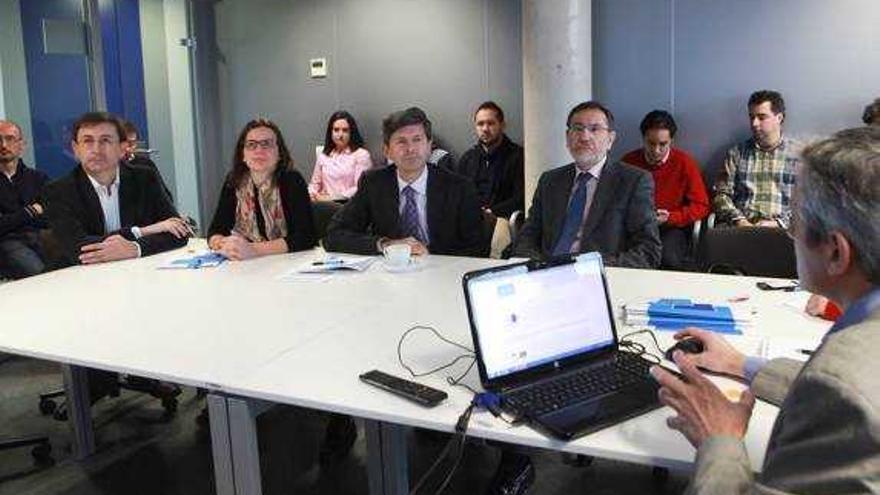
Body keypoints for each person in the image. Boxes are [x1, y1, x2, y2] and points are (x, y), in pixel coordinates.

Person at [651, 126, 880, 494]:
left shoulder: (842, 383)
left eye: (794, 220)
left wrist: (719, 439)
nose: (789, 234)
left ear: (836, 252)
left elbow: (841, 391)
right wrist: (739, 363)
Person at [513, 101, 661, 268]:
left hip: (599, 277)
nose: (584, 137)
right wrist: (536, 266)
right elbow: (528, 235)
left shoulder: (633, 181)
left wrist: (594, 268)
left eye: (595, 129)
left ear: (610, 140)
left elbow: (648, 250)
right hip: (547, 277)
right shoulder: (550, 181)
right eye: (577, 128)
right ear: (567, 137)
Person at [325, 107, 484, 257]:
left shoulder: (459, 187)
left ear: (429, 146)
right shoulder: (373, 183)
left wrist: (429, 252)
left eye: (417, 140)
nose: (410, 149)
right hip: (390, 274)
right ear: (387, 151)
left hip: (442, 273)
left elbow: (478, 248)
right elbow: (334, 235)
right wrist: (385, 244)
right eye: (401, 141)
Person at [44, 112, 190, 268]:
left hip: (140, 270)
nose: (96, 150)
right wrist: (143, 231)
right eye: (87, 141)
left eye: (105, 140)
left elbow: (178, 232)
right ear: (76, 149)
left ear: (122, 148)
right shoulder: (57, 191)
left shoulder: (145, 178)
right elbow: (79, 248)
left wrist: (135, 248)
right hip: (81, 277)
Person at [207, 118, 316, 260]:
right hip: (246, 264)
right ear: (243, 155)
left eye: (266, 144)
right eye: (251, 145)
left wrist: (254, 250)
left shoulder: (291, 180)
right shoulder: (234, 180)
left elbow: (306, 237)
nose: (259, 150)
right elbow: (216, 230)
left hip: (286, 262)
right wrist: (222, 244)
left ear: (279, 153)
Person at [621, 110, 709, 270]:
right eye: (651, 143)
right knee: (622, 257)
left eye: (663, 144)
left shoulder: (684, 163)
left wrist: (671, 218)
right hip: (634, 227)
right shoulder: (628, 162)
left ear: (671, 141)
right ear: (643, 139)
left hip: (670, 228)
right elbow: (616, 200)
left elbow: (701, 206)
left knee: (668, 259)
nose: (656, 150)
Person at [713, 90, 801, 227]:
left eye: (761, 117)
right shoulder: (737, 153)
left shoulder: (799, 156)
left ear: (779, 118)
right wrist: (739, 220)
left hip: (782, 232)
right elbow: (721, 196)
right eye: (751, 117)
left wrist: (779, 223)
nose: (754, 123)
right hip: (742, 229)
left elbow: (808, 203)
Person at [457, 101, 524, 221]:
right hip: (469, 221)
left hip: (502, 221)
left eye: (491, 123)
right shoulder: (467, 159)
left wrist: (492, 212)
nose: (485, 129)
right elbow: (457, 195)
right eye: (480, 124)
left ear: (502, 125)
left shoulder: (518, 156)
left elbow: (521, 197)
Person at [0, 119, 48, 279]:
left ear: (22, 144)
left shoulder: (38, 178)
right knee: (42, 277)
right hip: (8, 243)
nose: (4, 145)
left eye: (10, 138)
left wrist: (13, 219)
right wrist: (31, 211)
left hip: (42, 238)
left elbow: (53, 215)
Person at [308, 111, 373, 202]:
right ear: (330, 132)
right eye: (336, 130)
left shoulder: (361, 155)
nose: (340, 135)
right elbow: (314, 184)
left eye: (345, 130)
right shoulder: (323, 155)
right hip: (323, 204)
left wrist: (333, 198)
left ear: (352, 132)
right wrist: (311, 194)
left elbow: (360, 188)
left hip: (349, 204)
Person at [121, 119, 174, 202]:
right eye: (127, 143)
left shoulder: (146, 165)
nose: (129, 148)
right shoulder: (107, 168)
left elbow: (166, 197)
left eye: (133, 143)